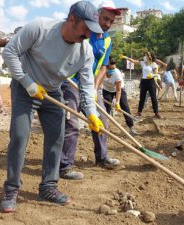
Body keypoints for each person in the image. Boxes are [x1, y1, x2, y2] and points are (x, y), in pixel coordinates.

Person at [0, 1, 104, 212]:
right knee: (19, 137)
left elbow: (86, 86)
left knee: (57, 137)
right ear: (72, 19)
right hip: (24, 87)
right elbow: (10, 52)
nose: (88, 36)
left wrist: (92, 114)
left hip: (52, 92)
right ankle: (11, 189)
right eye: (86, 29)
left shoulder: (85, 52)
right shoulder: (40, 28)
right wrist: (27, 82)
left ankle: (48, 187)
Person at [59, 0, 121, 181]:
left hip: (89, 85)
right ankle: (64, 166)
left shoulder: (107, 39)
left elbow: (103, 67)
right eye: (105, 19)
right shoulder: (83, 31)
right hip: (70, 81)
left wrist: (94, 88)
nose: (107, 24)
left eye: (111, 21)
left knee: (102, 121)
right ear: (96, 15)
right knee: (71, 124)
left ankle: (102, 158)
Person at [120, 51, 163, 118]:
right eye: (145, 55)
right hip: (143, 81)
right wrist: (125, 57)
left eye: (146, 56)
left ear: (149, 57)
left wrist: (151, 75)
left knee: (153, 97)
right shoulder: (143, 63)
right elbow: (133, 61)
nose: (144, 57)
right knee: (142, 97)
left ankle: (156, 112)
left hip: (151, 81)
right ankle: (139, 112)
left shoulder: (153, 64)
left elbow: (156, 74)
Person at [102, 57, 139, 135]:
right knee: (106, 108)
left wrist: (117, 102)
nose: (112, 70)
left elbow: (118, 90)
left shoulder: (117, 73)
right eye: (111, 68)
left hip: (118, 89)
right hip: (107, 90)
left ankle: (131, 127)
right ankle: (104, 127)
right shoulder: (102, 71)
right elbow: (97, 81)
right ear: (107, 66)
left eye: (114, 68)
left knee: (125, 106)